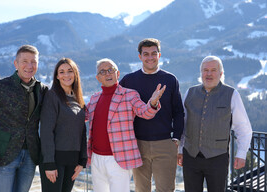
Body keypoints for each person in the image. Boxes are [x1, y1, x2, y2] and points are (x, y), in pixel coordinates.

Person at [87, 58, 166, 192]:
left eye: (110, 70)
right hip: (96, 158)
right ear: (98, 78)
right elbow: (80, 117)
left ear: (117, 74)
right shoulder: (94, 98)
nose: (107, 74)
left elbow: (145, 112)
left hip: (119, 158)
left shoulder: (129, 95)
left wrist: (152, 103)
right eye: (103, 71)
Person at [0, 45, 48, 192]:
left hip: (30, 156)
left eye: (33, 62)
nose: (29, 66)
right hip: (3, 154)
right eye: (25, 61)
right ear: (15, 64)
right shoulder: (0, 86)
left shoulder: (42, 90)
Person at [177, 55, 253, 192]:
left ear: (221, 73)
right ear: (201, 73)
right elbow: (183, 124)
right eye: (205, 70)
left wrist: (241, 154)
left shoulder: (232, 94)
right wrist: (180, 149)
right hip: (191, 156)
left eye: (213, 70)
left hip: (217, 158)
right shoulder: (190, 92)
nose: (209, 74)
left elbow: (243, 127)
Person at [120, 38, 184, 192]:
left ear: (159, 55)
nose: (150, 57)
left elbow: (179, 112)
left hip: (164, 144)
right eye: (146, 54)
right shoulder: (128, 80)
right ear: (140, 56)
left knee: (166, 189)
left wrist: (176, 138)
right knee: (141, 189)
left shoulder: (170, 79)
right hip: (137, 144)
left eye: (153, 53)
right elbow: (116, 105)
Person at [39, 58, 87, 192]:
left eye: (70, 71)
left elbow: (82, 132)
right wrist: (49, 163)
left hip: (72, 161)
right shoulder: (52, 96)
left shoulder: (78, 100)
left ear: (75, 74)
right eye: (62, 72)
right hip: (54, 161)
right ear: (57, 76)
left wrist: (81, 161)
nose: (66, 75)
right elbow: (46, 131)